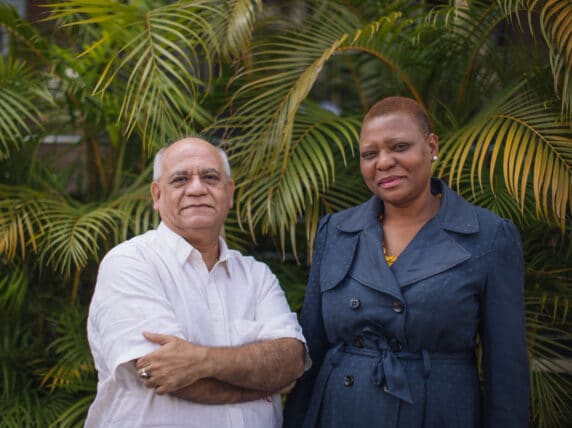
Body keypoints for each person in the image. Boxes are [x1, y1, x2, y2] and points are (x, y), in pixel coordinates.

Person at [283, 96, 529, 428]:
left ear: (431, 146)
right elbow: (311, 347)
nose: (383, 162)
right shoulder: (336, 231)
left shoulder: (488, 236)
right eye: (370, 154)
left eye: (399, 146)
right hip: (341, 412)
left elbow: (506, 372)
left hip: (436, 412)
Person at [86, 137, 308, 428]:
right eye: (180, 179)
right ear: (157, 195)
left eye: (210, 177)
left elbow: (291, 361)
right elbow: (167, 377)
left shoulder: (257, 276)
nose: (196, 188)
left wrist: (202, 360)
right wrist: (265, 382)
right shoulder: (130, 264)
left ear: (229, 193)